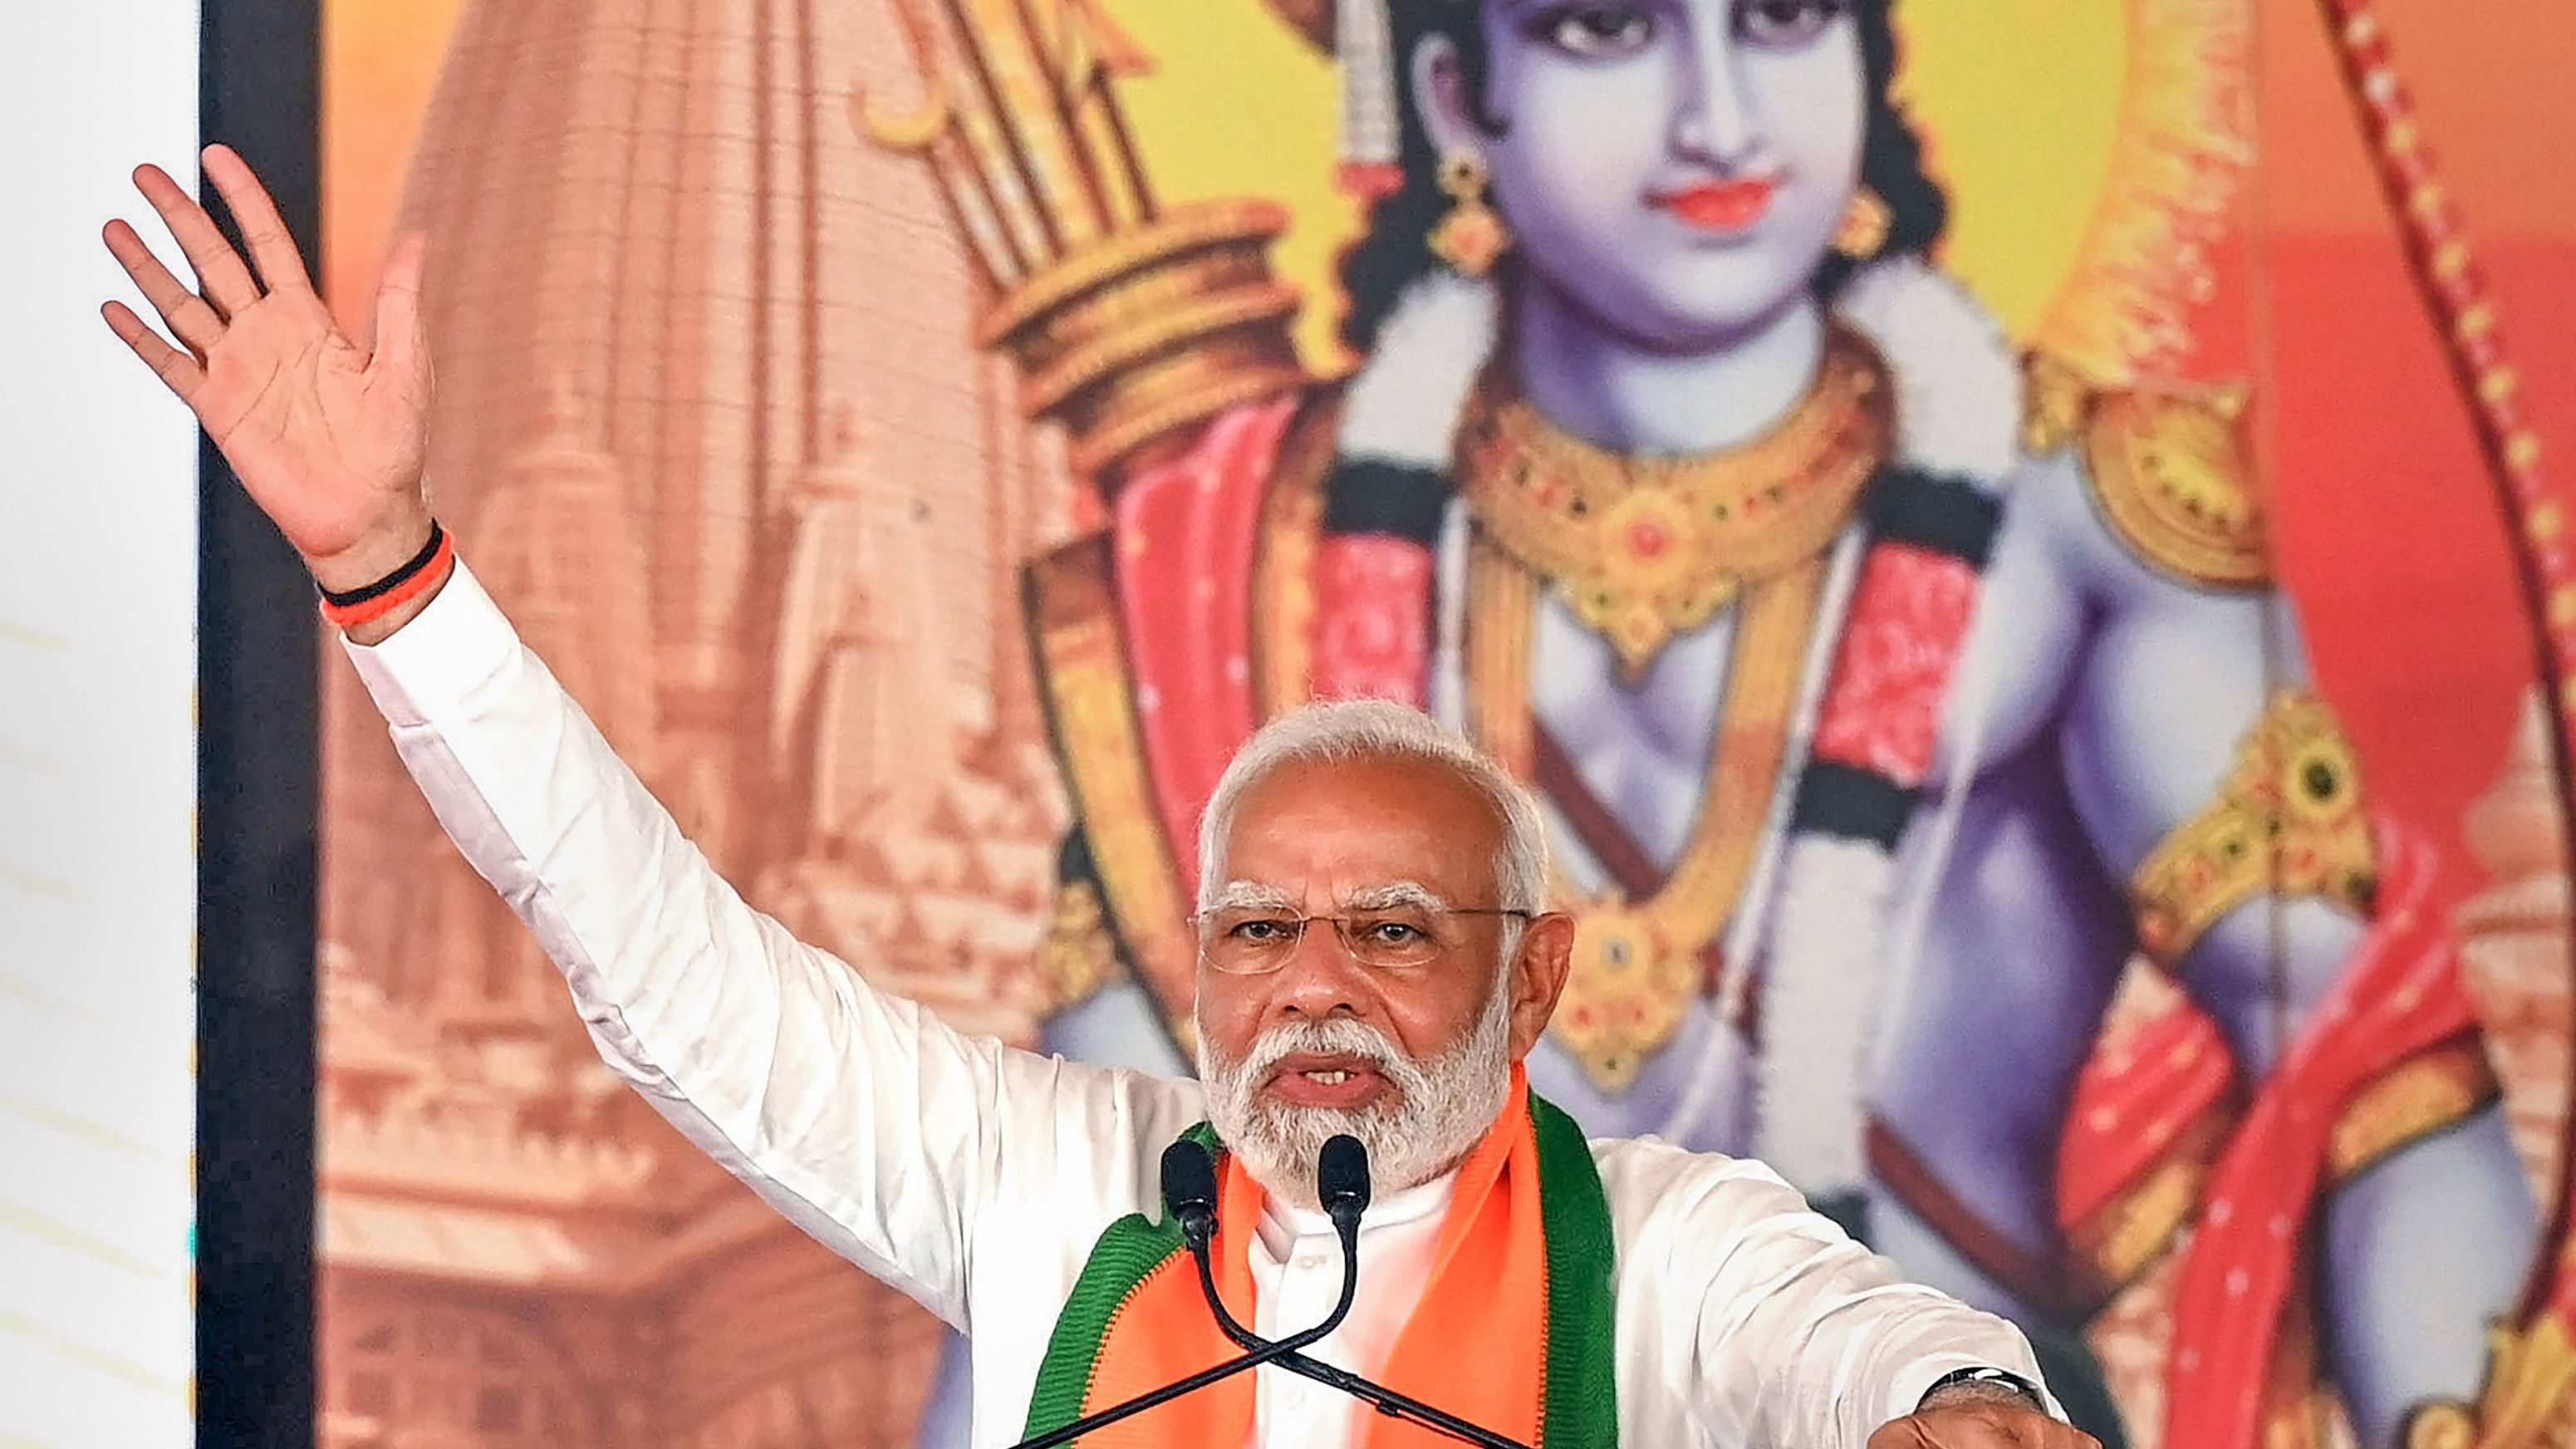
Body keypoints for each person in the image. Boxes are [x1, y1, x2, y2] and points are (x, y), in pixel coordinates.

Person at [101, 144, 2093, 1448]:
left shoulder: (1658, 1245)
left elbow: (1839, 1330)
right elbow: (670, 965)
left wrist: (1957, 1394)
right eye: (1257, 930)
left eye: (1391, 930)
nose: (1312, 987)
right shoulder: (1053, 1181)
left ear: (1536, 974)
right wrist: (391, 567)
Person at [876, 2, 2539, 1444]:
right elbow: (1090, 1235)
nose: (1722, 116)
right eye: (1607, 24)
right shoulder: (1245, 563)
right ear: (1456, 93)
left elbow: (2372, 1073)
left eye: (1787, 15)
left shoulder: (2079, 527)